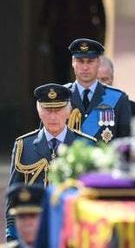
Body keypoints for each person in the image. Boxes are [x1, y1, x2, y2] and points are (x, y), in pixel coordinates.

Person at [6, 83, 96, 242]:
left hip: (73, 231)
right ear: (39, 111)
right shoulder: (23, 146)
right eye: (48, 110)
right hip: (35, 232)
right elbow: (14, 198)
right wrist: (13, 238)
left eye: (59, 110)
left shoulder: (86, 145)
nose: (53, 117)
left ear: (68, 111)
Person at [66, 38, 132, 143]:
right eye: (80, 61)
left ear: (99, 63)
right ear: (73, 62)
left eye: (90, 61)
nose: (85, 67)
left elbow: (125, 143)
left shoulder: (118, 99)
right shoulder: (61, 96)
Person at [39, 0, 106, 84]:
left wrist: (101, 38)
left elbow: (100, 11)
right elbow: (46, 11)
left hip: (83, 32)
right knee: (62, 74)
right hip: (62, 33)